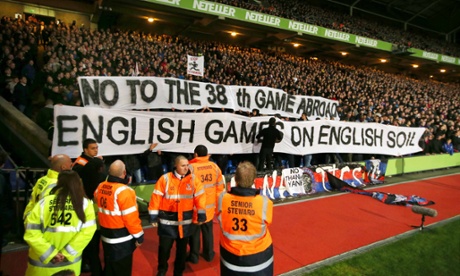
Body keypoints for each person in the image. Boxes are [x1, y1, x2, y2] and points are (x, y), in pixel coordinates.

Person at [23, 170, 97, 275]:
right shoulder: (85, 204)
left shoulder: (43, 203)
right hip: (70, 265)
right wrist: (66, 253)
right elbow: (87, 232)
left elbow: (31, 232)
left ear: (58, 183)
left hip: (41, 265)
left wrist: (51, 253)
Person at [149, 155, 206, 276]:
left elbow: (200, 198)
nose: (186, 168)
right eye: (183, 165)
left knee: (181, 251)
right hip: (167, 223)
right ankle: (162, 270)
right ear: (176, 165)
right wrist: (153, 216)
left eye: (187, 165)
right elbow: (156, 198)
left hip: (185, 224)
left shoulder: (193, 180)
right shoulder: (165, 179)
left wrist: (201, 214)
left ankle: (178, 272)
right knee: (164, 249)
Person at [217, 161, 274, 275]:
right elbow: (267, 222)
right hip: (259, 257)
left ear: (235, 179)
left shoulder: (223, 199)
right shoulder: (264, 202)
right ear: (254, 180)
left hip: (230, 255)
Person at [94, 160, 144, 276]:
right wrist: (139, 236)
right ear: (124, 172)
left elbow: (97, 199)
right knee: (122, 270)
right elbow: (131, 218)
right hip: (122, 239)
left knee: (110, 267)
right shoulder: (125, 191)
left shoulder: (101, 186)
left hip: (106, 235)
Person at [187, 145, 225, 264]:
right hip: (209, 207)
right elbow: (220, 188)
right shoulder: (214, 167)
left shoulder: (190, 168)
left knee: (194, 233)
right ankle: (209, 254)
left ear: (196, 154)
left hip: (195, 207)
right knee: (208, 232)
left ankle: (194, 256)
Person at [72, 138, 103, 275]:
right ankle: (87, 261)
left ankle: (88, 260)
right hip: (85, 204)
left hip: (94, 204)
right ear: (85, 150)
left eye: (96, 148)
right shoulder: (81, 163)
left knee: (94, 236)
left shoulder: (92, 162)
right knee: (89, 237)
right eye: (92, 148)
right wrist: (98, 161)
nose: (95, 150)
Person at [23, 154, 72, 220]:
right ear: (63, 167)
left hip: (32, 217)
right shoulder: (58, 184)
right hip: (42, 224)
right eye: (70, 165)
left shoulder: (42, 180)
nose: (72, 167)